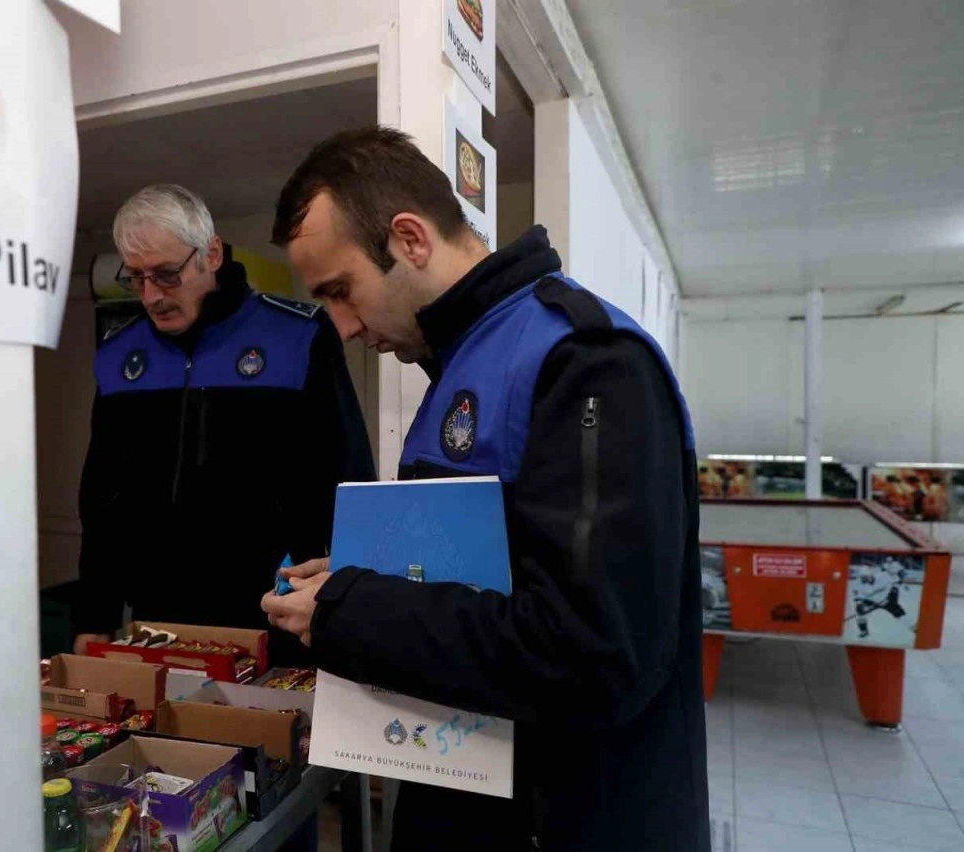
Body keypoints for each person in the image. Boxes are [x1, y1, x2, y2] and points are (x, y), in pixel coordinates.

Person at [261, 128, 708, 851]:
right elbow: (488, 578)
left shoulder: (586, 360)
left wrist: (349, 609)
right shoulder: (463, 364)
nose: (340, 326)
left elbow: (594, 653)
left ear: (409, 239)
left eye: (341, 291)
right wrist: (351, 580)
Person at [73, 184, 375, 667]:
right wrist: (94, 614)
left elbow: (347, 477)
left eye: (167, 274)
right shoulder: (119, 355)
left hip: (279, 610)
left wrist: (348, 607)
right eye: (137, 278)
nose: (152, 296)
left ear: (211, 254)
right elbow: (102, 500)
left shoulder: (297, 336)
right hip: (159, 618)